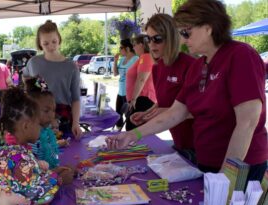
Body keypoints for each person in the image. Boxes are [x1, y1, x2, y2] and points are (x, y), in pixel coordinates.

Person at [107, 0, 268, 183]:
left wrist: (225, 177)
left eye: (186, 32)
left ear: (208, 27)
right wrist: (132, 134)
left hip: (241, 167)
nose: (182, 39)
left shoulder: (240, 55)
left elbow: (247, 122)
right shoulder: (198, 66)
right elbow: (175, 113)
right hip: (207, 162)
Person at [130, 14, 195, 160]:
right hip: (178, 141)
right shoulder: (157, 68)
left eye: (157, 39)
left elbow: (200, 110)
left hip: (197, 143)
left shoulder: (190, 65)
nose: (151, 45)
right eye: (148, 39)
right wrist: (147, 113)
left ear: (171, 37)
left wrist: (164, 112)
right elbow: (165, 99)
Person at [23, 20, 82, 139]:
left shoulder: (71, 66)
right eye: (46, 43)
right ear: (40, 44)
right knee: (40, 155)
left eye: (54, 42)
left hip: (63, 119)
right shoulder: (33, 63)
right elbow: (26, 84)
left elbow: (76, 98)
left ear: (59, 40)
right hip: (38, 119)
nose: (51, 46)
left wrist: (76, 123)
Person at [124, 34, 157, 131]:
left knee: (134, 130)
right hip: (139, 99)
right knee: (133, 130)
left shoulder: (146, 57)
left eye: (134, 45)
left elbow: (141, 79)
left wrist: (133, 99)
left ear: (142, 45)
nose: (133, 48)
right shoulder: (143, 57)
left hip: (142, 99)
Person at [113, 38, 138, 130]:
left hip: (129, 93)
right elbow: (115, 73)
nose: (119, 50)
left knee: (128, 117)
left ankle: (129, 137)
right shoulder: (122, 59)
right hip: (121, 91)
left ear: (127, 49)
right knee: (117, 115)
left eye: (121, 48)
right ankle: (118, 133)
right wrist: (115, 61)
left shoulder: (136, 59)